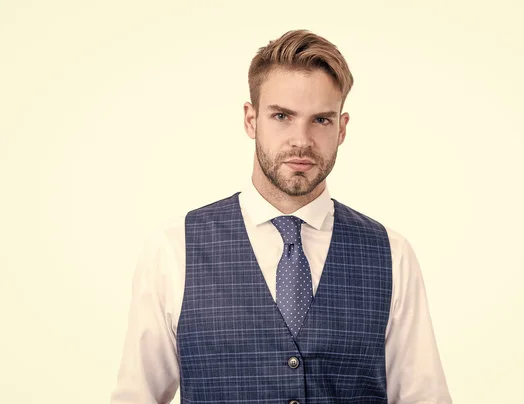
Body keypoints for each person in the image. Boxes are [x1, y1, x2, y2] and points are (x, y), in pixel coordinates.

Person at [111, 29, 452, 404]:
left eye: (320, 120)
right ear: (251, 120)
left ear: (341, 129)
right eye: (282, 116)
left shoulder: (391, 252)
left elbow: (424, 397)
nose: (301, 140)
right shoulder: (175, 248)